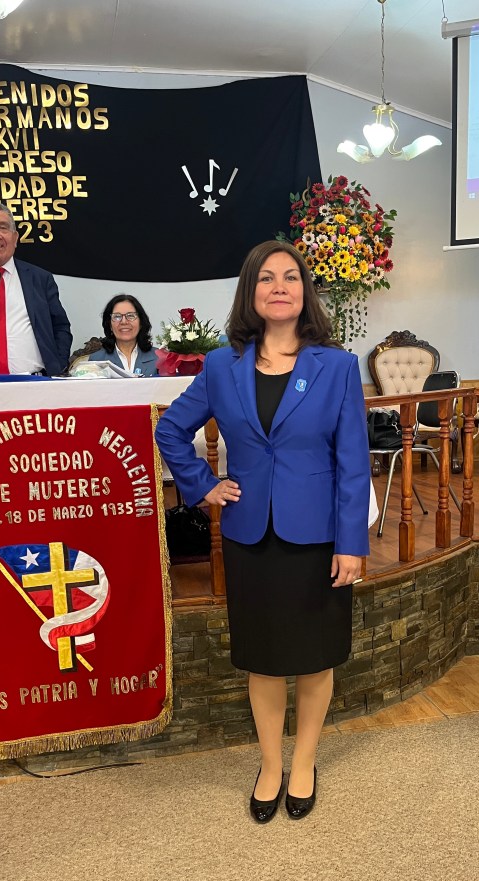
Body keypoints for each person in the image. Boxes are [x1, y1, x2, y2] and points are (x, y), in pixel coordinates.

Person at [155, 240, 371, 823]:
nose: (280, 287)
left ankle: (304, 762)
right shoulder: (221, 365)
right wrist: (202, 485)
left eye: (291, 277)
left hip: (319, 537)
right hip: (250, 536)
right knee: (264, 659)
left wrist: (352, 543)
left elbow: (353, 462)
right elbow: (170, 429)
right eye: (267, 278)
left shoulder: (337, 366)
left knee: (315, 657)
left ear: (305, 291)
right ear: (250, 292)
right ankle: (270, 765)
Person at [0, 201, 72, 376]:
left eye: (3, 228)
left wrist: (57, 366)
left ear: (15, 238)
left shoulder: (40, 279)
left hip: (34, 384)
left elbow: (60, 327)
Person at [89, 294, 158, 376]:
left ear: (141, 323)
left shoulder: (159, 357)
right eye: (117, 316)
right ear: (110, 325)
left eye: (131, 316)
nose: (124, 322)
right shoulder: (97, 361)